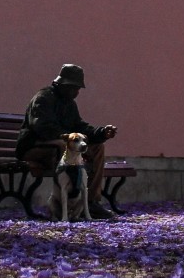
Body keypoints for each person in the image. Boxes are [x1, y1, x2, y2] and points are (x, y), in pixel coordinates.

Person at [16, 64, 118, 219]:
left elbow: (80, 126)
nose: (76, 92)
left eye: (78, 89)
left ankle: (90, 203)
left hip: (60, 148)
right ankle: (61, 205)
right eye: (73, 88)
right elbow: (42, 128)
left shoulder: (69, 104)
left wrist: (101, 132)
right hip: (35, 148)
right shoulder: (43, 98)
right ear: (61, 84)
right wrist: (68, 138)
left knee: (97, 148)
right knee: (63, 145)